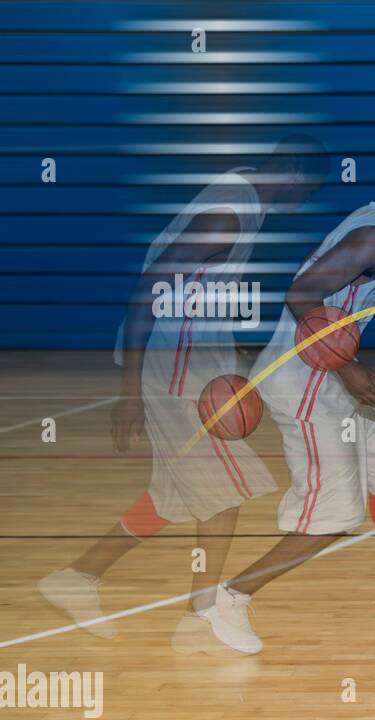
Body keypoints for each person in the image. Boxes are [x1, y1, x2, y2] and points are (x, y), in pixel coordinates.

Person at [37, 137, 326, 647]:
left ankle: (79, 577)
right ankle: (205, 615)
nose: (303, 203)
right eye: (308, 191)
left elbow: (199, 290)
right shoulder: (229, 214)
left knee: (173, 496)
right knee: (227, 491)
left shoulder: (244, 198)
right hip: (175, 372)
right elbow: (149, 286)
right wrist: (129, 387)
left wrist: (231, 351)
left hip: (195, 365)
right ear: (294, 174)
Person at [213, 161, 375, 652]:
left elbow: (326, 273)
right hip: (305, 381)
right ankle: (230, 598)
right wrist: (348, 367)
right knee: (335, 514)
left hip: (327, 376)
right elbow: (299, 292)